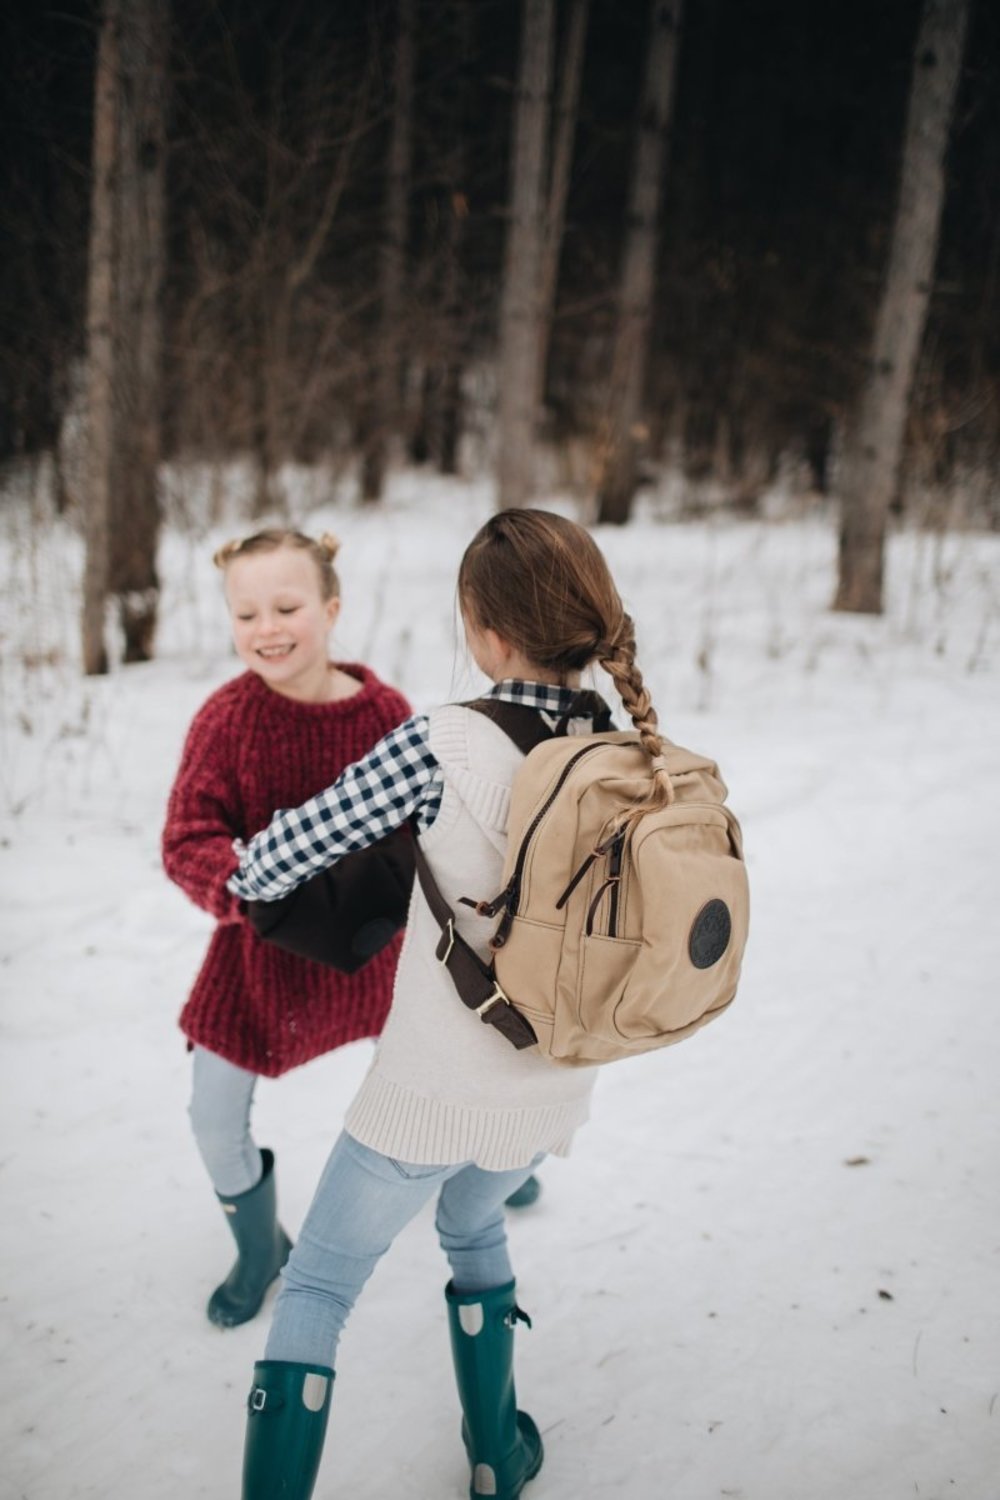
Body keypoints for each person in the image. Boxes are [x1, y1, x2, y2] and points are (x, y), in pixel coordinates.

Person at [226, 509, 672, 1500]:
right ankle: (496, 1456)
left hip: (428, 1096)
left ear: (485, 632)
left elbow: (277, 858)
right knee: (471, 1226)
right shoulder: (627, 753)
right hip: (549, 1089)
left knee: (317, 1288)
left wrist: (247, 869)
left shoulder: (443, 743)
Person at [162, 528, 412, 1330]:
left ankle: (493, 1173)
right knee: (211, 1113)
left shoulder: (384, 714)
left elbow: (425, 828)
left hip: (373, 953)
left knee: (437, 1070)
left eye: (286, 606)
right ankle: (260, 1245)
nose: (266, 628)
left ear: (331, 608)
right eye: (246, 613)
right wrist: (244, 883)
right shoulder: (226, 720)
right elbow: (186, 839)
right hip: (257, 958)